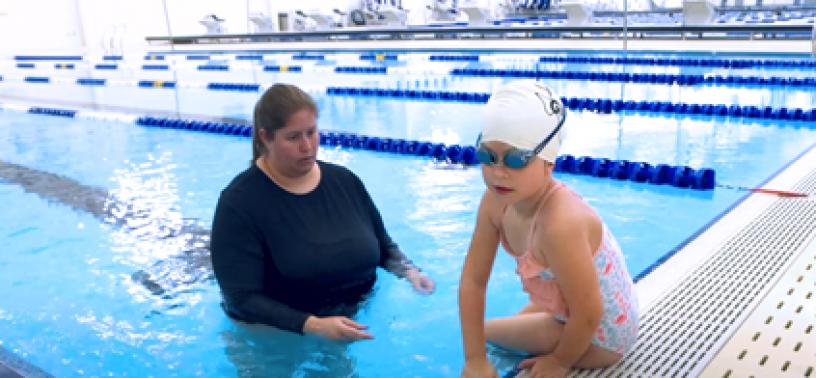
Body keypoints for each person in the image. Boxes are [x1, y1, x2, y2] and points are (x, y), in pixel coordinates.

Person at [211, 83, 435, 342]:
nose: (307, 146)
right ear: (266, 137)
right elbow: (241, 298)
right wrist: (313, 325)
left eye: (312, 132)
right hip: (275, 338)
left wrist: (409, 271)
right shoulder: (239, 204)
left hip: (347, 325)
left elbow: (383, 244)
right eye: (293, 137)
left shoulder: (345, 181)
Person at [458, 81, 639, 377]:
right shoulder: (494, 203)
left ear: (549, 161)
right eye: (487, 156)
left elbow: (589, 312)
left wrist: (558, 362)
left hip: (602, 337)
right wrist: (474, 360)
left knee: (488, 332)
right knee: (479, 338)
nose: (498, 171)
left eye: (517, 159)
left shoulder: (560, 224)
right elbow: (472, 282)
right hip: (570, 309)